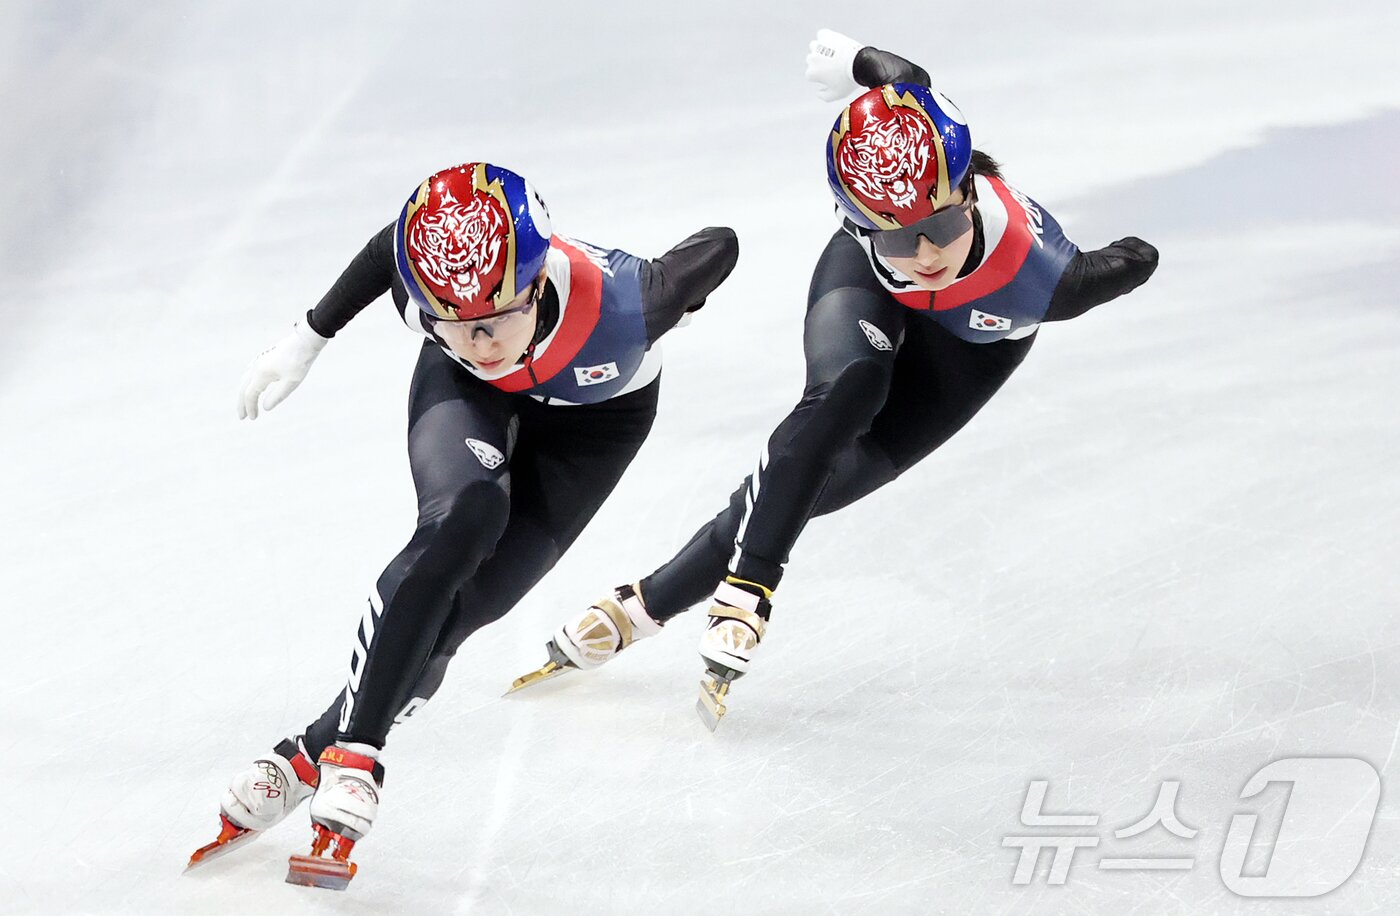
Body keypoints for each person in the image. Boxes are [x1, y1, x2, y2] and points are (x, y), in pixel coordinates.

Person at [515, 31, 1159, 729]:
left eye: (940, 224)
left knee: (819, 485)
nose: (924, 253)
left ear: (967, 189)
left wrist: (1130, 258)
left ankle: (640, 607)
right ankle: (749, 592)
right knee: (843, 395)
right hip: (867, 293)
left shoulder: (1047, 279)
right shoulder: (883, 233)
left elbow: (1134, 258)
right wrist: (856, 62)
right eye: (893, 236)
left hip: (969, 350)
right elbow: (902, 79)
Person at [190, 162, 737, 887]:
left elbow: (720, 243)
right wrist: (309, 336)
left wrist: (682, 295)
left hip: (597, 422)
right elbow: (395, 242)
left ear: (538, 281)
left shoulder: (629, 302)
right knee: (464, 519)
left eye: (498, 318)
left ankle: (304, 755)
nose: (482, 341)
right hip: (471, 401)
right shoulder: (434, 300)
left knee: (473, 606)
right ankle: (356, 754)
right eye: (457, 324)